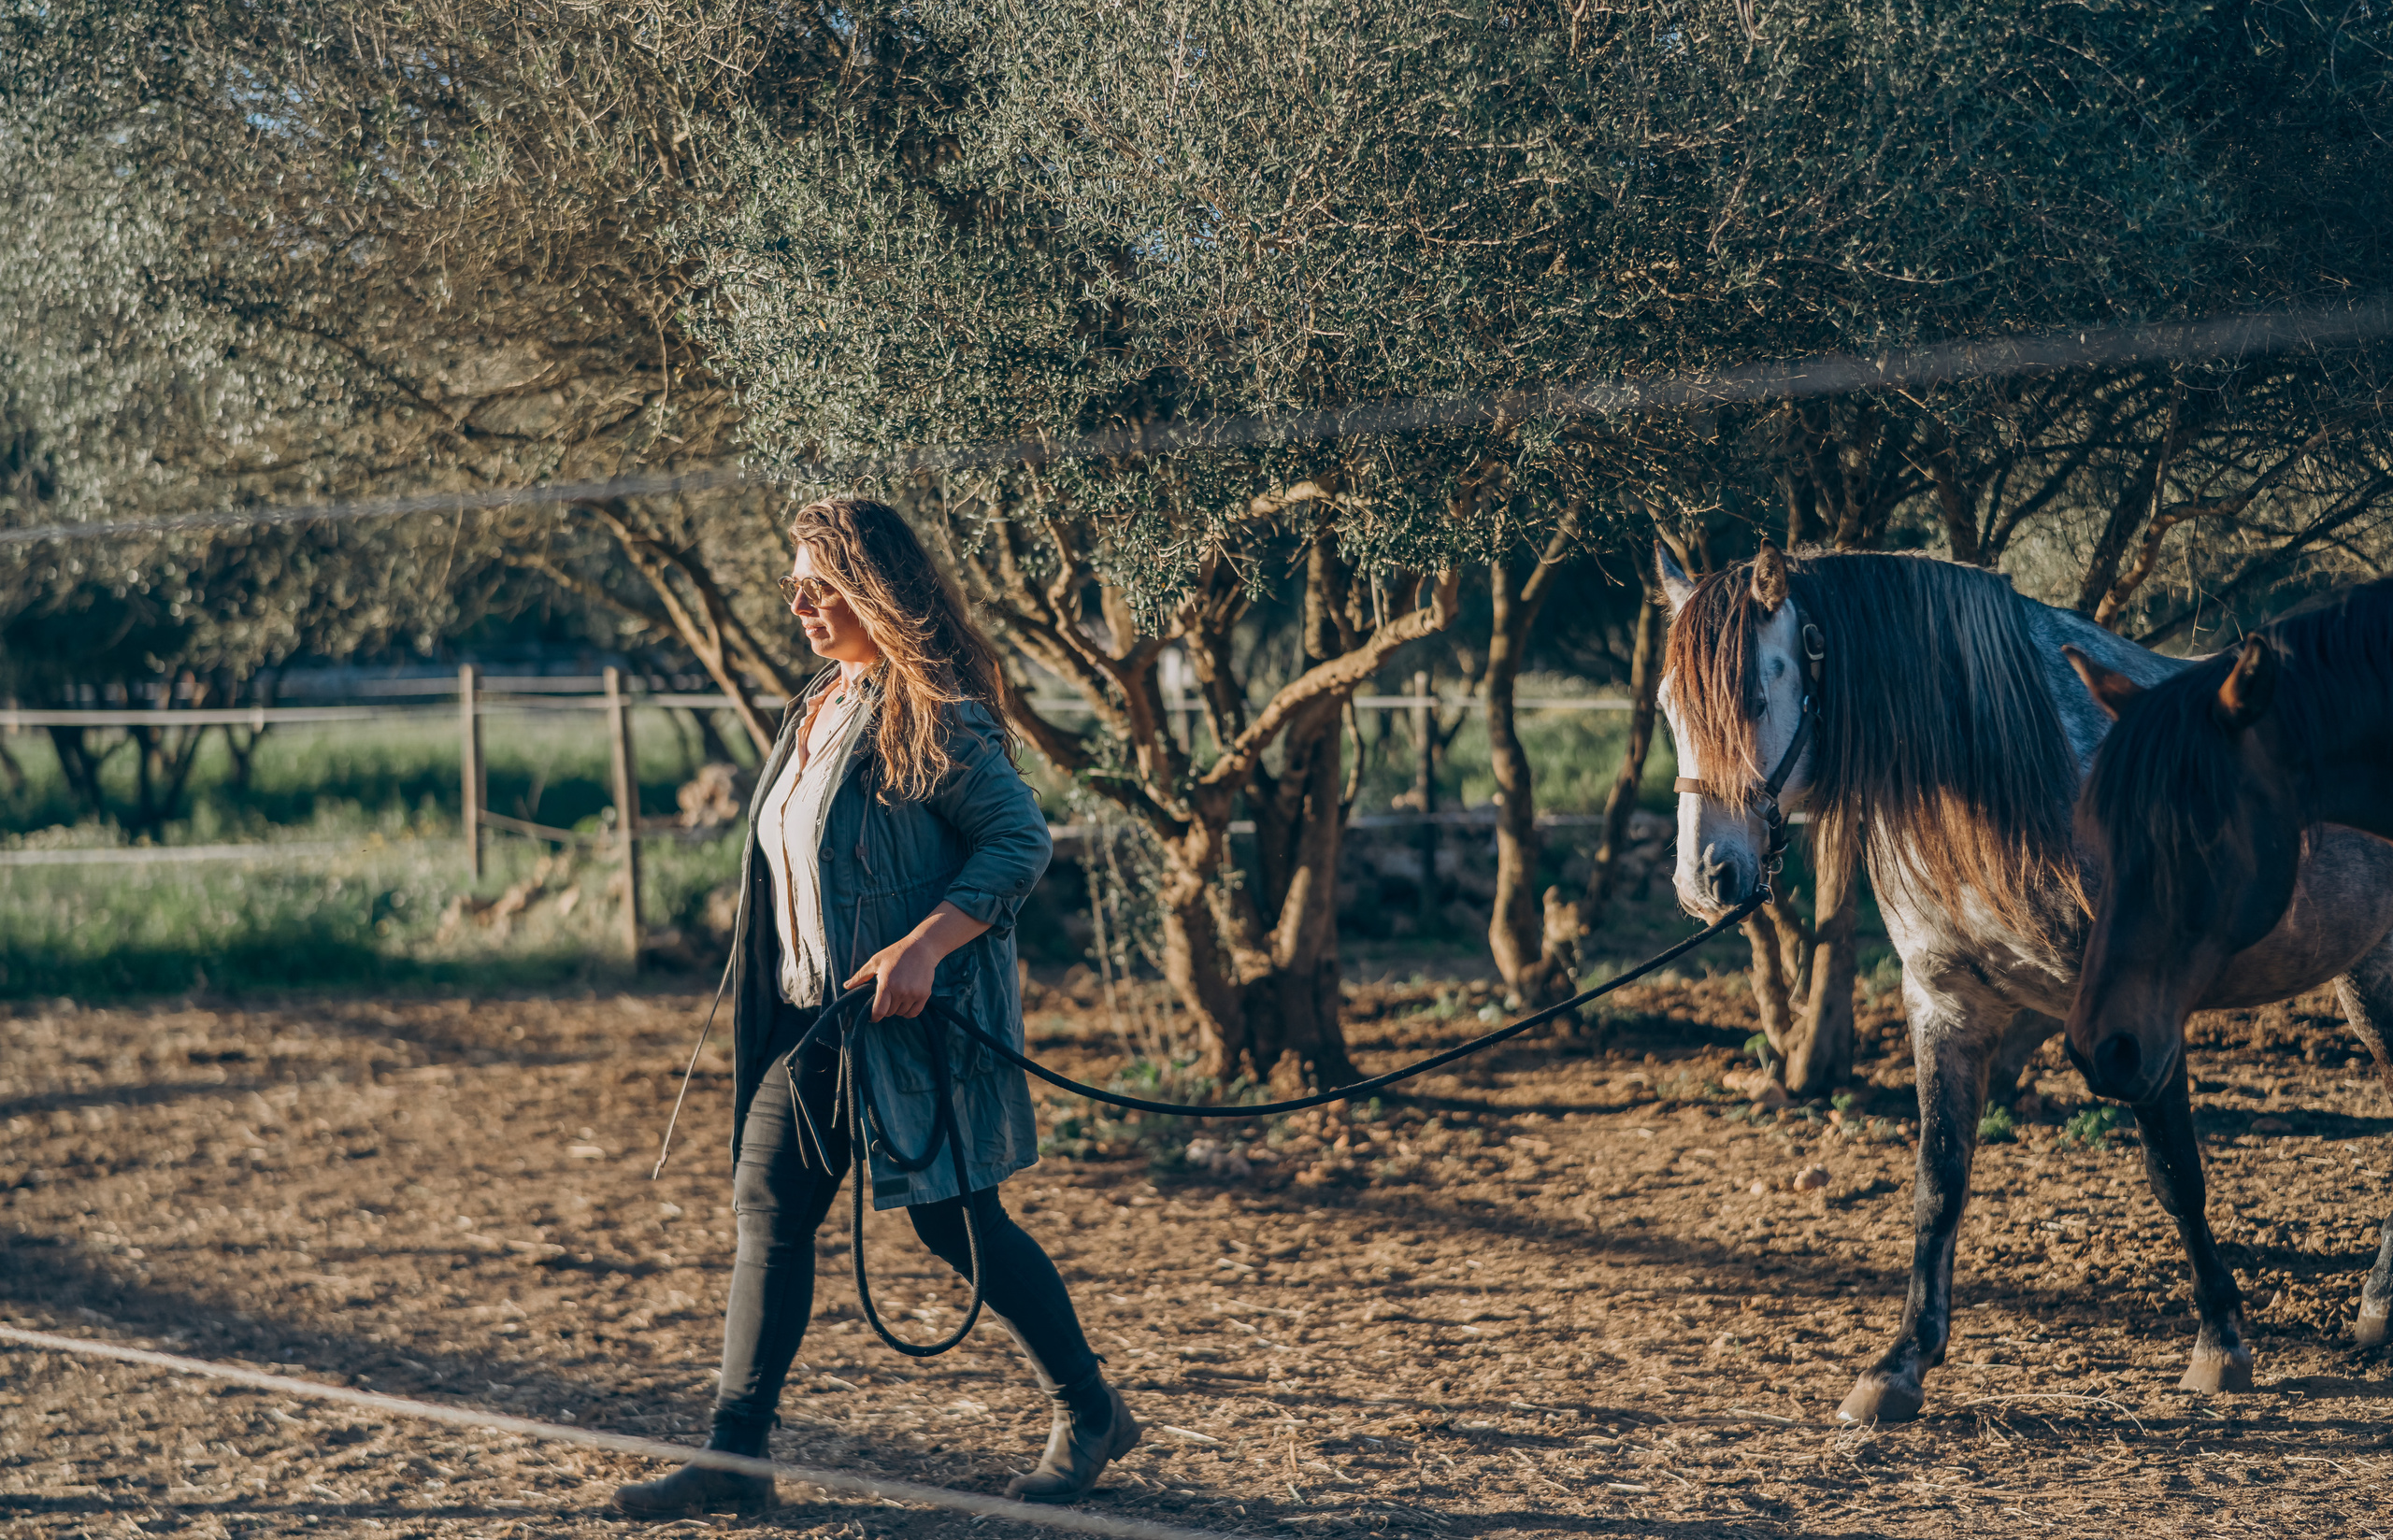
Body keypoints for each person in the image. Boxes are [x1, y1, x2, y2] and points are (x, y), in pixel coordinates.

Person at [614, 497, 1139, 1517]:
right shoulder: (814, 704)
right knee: (769, 1212)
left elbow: (1018, 842)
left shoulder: (928, 710)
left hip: (906, 1030)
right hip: (809, 1021)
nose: (801, 602)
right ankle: (736, 1461)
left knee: (953, 1222)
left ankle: (1090, 1411)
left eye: (822, 583)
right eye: (792, 584)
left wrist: (923, 946)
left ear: (876, 588)